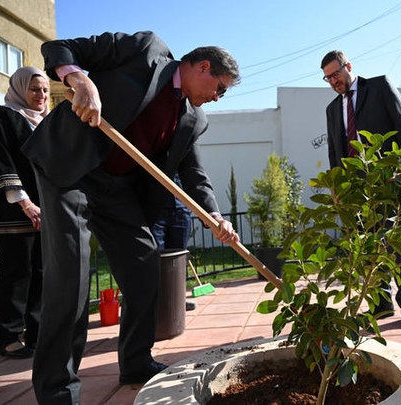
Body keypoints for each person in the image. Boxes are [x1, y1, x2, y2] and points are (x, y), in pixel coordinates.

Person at [21, 31, 240, 405]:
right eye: (219, 87)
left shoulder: (193, 118)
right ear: (203, 67)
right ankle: (58, 390)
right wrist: (80, 79)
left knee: (144, 264)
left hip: (116, 186)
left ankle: (136, 362)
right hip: (71, 168)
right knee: (71, 274)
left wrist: (215, 215)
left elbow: (194, 174)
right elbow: (59, 48)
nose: (218, 98)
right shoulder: (145, 50)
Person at [321, 50, 401, 332]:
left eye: (336, 73)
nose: (333, 81)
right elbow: (334, 151)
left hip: (392, 182)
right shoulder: (332, 109)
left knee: (400, 246)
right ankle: (381, 304)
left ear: (348, 66)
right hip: (357, 192)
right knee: (368, 248)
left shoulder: (379, 86)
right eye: (328, 78)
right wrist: (336, 188)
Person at [0, 67, 47, 359]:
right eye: (35, 89)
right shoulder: (2, 117)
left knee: (41, 270)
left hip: (45, 210)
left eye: (46, 90)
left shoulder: (45, 123)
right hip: (15, 210)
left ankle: (36, 333)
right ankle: (8, 335)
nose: (41, 95)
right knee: (16, 271)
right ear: (21, 88)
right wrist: (25, 203)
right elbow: (1, 161)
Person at [150, 173, 196, 311]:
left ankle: (178, 300)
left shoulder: (183, 152)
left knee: (179, 260)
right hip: (156, 211)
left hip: (181, 210)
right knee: (156, 258)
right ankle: (155, 304)